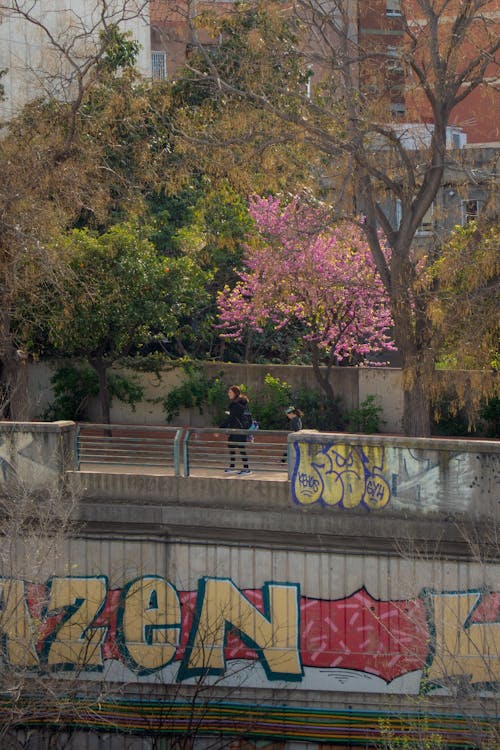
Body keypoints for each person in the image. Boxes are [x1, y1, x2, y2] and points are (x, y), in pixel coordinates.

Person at [221, 385, 251, 475]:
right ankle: (232, 466)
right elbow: (235, 416)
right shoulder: (239, 403)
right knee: (231, 445)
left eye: (230, 392)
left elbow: (231, 418)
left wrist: (220, 428)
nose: (228, 394)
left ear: (235, 393)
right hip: (237, 428)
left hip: (239, 429)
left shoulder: (236, 404)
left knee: (241, 447)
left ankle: (246, 469)